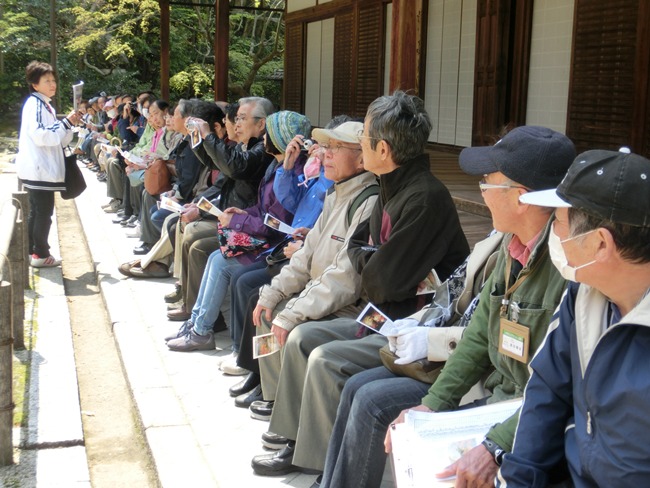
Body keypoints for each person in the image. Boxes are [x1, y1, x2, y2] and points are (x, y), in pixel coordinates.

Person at [319, 125, 577, 488]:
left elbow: (557, 388)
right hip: (496, 401)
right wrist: (432, 405)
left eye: (488, 181)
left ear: (520, 197)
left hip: (521, 418)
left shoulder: (567, 268)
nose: (481, 191)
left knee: (376, 402)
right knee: (388, 408)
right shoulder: (511, 245)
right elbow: (477, 337)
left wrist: (494, 445)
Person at [251, 91, 470, 477]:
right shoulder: (391, 185)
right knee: (299, 335)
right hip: (385, 311)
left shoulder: (423, 198)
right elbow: (367, 260)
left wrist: (368, 256)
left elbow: (381, 282)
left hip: (409, 324)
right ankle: (293, 438)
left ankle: (316, 462)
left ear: (381, 149)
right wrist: (370, 256)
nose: (326, 153)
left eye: (360, 139)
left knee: (322, 356)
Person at [497, 148, 650, 488]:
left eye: (560, 222)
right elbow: (547, 390)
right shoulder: (584, 293)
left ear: (600, 244)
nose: (555, 234)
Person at [164, 110, 307, 352]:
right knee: (214, 256)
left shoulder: (291, 172)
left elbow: (275, 224)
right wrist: (243, 214)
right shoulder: (277, 164)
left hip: (274, 246)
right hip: (263, 237)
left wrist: (237, 222)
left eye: (269, 133)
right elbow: (263, 210)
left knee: (220, 261)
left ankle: (203, 331)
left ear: (280, 137)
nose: (264, 139)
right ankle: (197, 325)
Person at [15, 60, 82, 267]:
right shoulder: (35, 104)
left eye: (53, 80)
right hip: (39, 168)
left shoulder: (43, 104)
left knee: (38, 211)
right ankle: (40, 254)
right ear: (35, 84)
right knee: (43, 212)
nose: (52, 84)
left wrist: (69, 124)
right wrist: (66, 122)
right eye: (47, 81)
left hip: (40, 167)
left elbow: (58, 137)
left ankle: (32, 251)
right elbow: (41, 135)